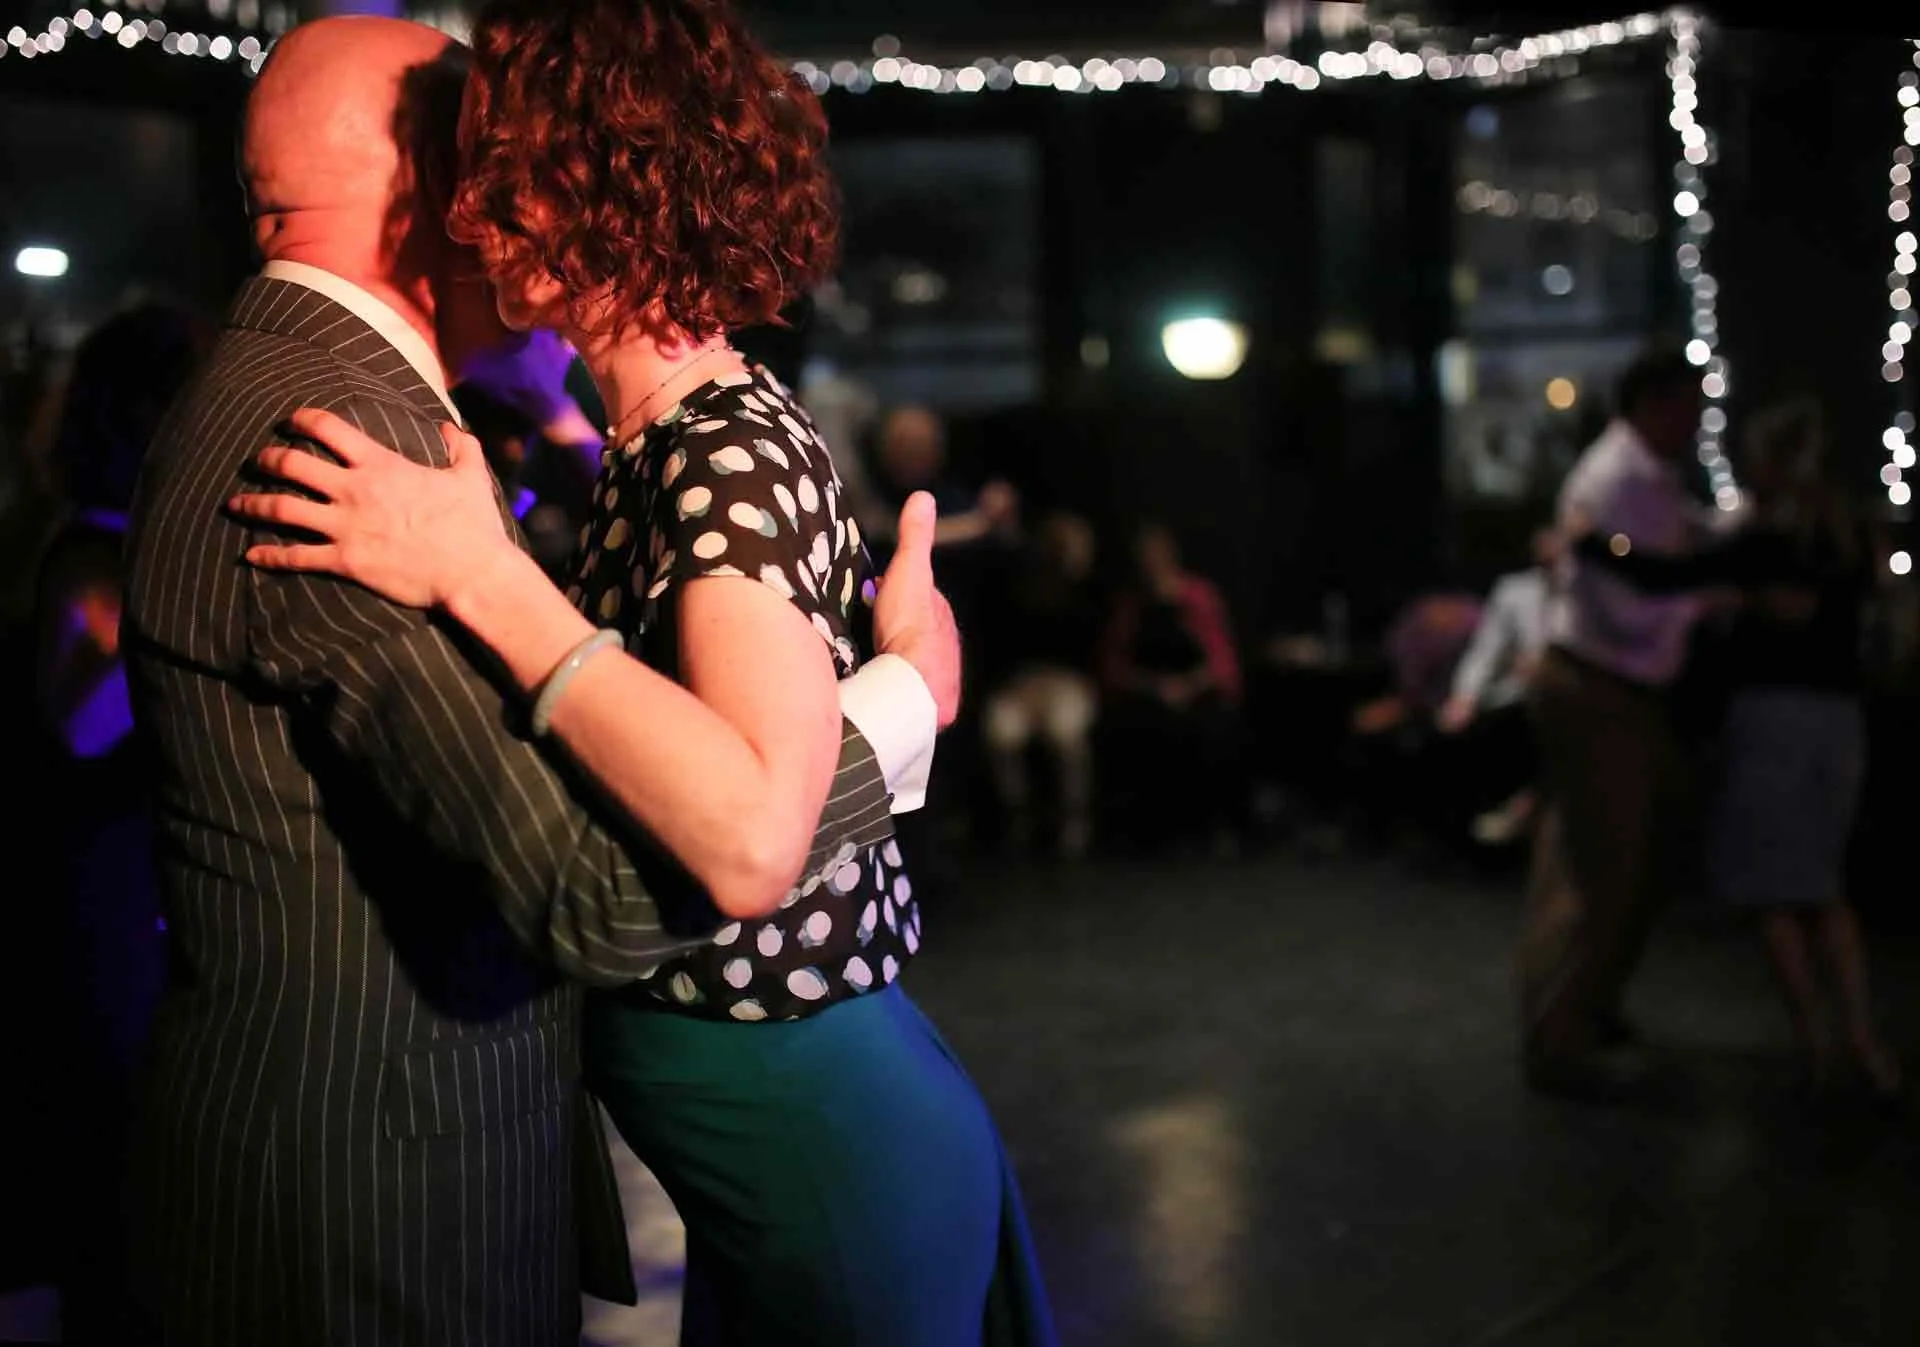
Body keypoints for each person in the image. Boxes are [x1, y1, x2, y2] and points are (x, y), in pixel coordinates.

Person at [122, 17, 957, 1347]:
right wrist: (901, 703)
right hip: (373, 1206)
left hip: (797, 1116)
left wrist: (909, 696)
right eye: (480, 163)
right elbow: (608, 884)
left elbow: (726, 841)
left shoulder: (702, 449)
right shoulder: (349, 435)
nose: (487, 206)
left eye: (512, 168)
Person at [1574, 398, 1900, 1101]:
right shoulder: (1851, 532)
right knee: (1826, 887)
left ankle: (1814, 1043)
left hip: (1773, 721)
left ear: (1769, 463)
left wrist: (1595, 542)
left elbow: (1660, 577)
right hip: (1841, 724)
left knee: (1773, 891)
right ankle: (1865, 1043)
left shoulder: (1763, 538)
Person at [25, 302, 205, 1343]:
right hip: (102, 898)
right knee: (115, 1192)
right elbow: (87, 726)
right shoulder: (98, 555)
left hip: (116, 894)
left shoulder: (103, 544)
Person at [1520, 343, 1712, 1098]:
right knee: (1597, 868)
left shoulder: (1636, 474)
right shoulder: (1620, 477)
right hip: (1602, 687)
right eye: (1689, 405)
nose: (1697, 421)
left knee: (1608, 861)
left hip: (1607, 686)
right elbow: (1625, 609)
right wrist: (1705, 596)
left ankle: (1579, 1017)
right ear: (1656, 403)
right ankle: (1563, 1038)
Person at [1099, 522, 1246, 848]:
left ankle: (1213, 828)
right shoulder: (1132, 604)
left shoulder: (1198, 596)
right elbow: (1114, 665)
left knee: (1216, 729)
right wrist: (1157, 687)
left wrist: (1190, 685)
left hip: (1197, 690)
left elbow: (1222, 659)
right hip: (1150, 693)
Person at [982, 511, 1103, 857]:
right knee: (1002, 728)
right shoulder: (1020, 586)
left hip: (1068, 681)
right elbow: (1006, 640)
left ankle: (1074, 822)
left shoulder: (1085, 590)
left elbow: (1088, 643)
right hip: (1023, 681)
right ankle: (1018, 820)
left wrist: (1079, 571)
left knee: (1065, 731)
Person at [1437, 526, 1560, 846]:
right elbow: (1485, 651)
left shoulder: (1595, 594)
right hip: (1519, 698)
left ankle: (1528, 805)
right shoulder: (1514, 591)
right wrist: (1464, 696)